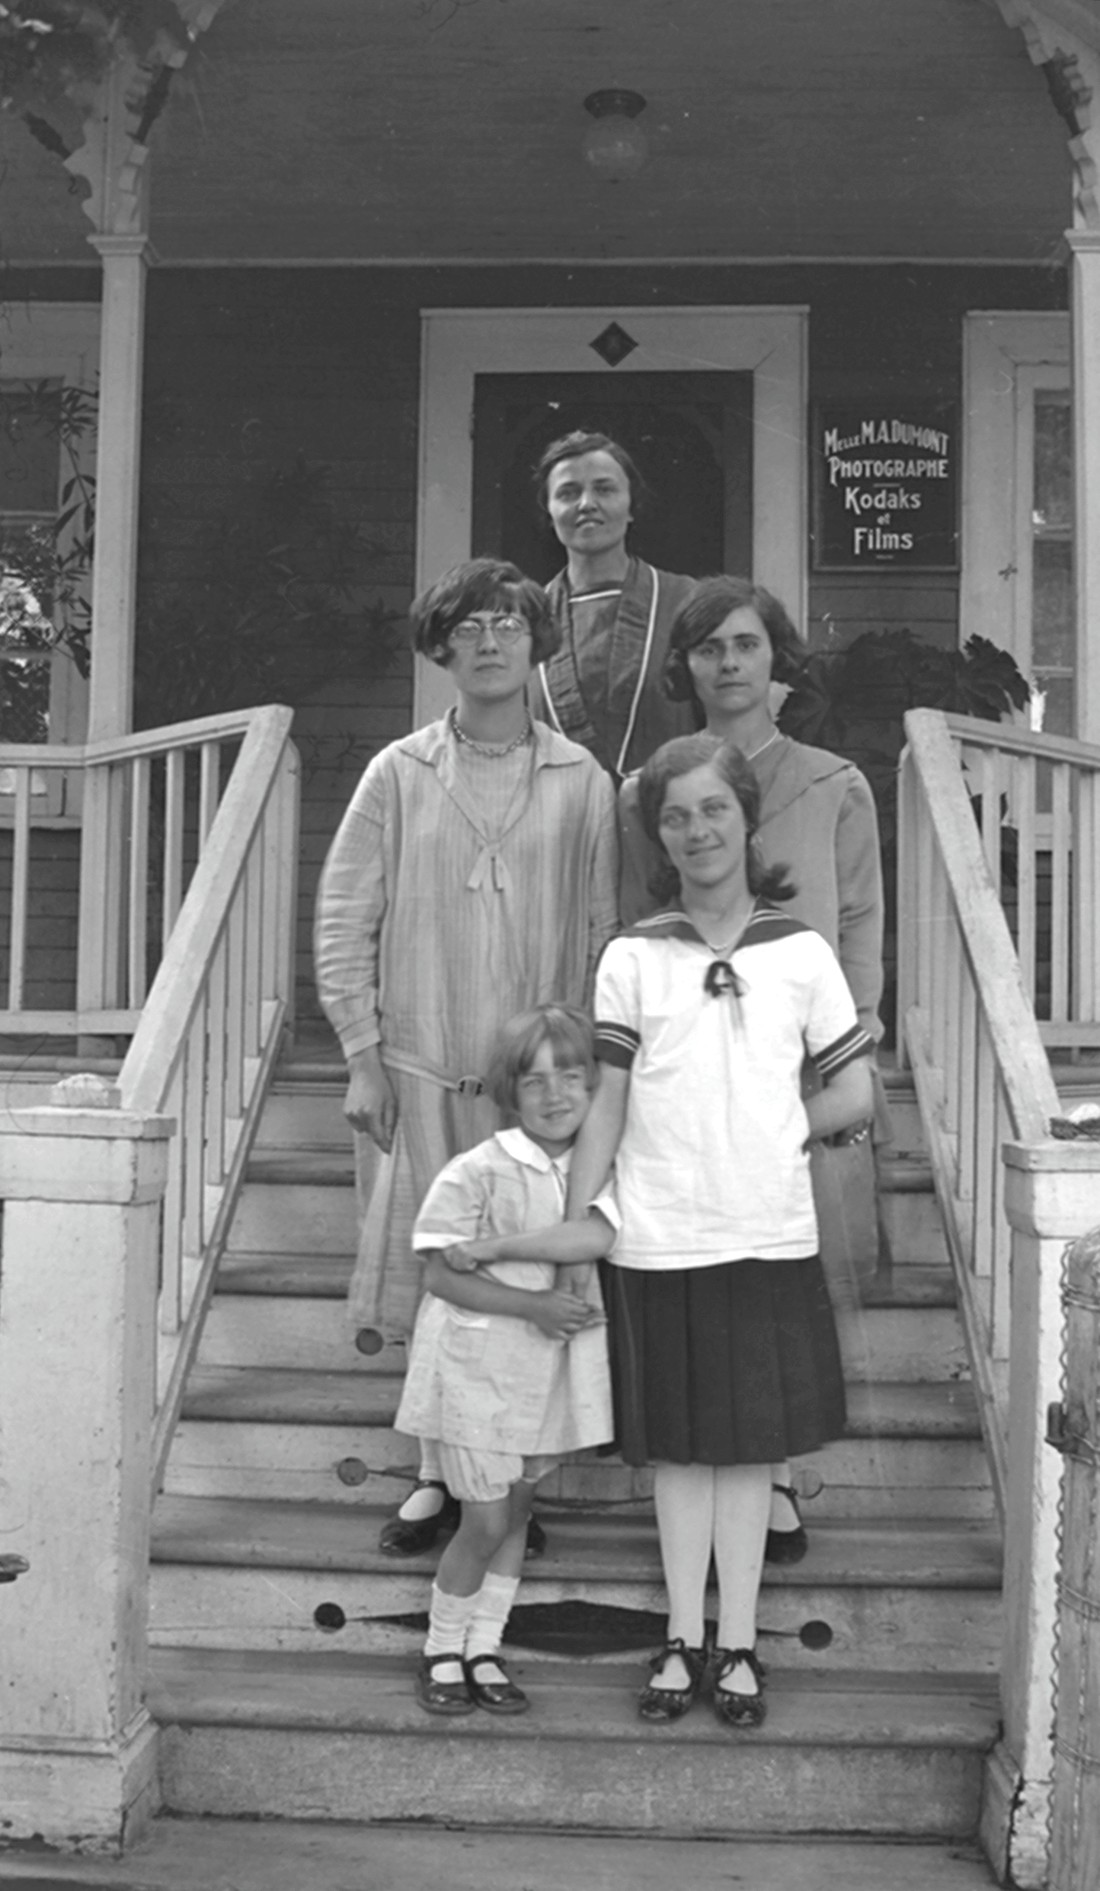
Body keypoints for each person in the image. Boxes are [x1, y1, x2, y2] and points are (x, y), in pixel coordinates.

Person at [553, 735, 873, 1728]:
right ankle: (677, 1639)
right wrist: (575, 1221)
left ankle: (736, 1644)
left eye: (713, 810)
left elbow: (854, 1089)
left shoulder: (799, 951)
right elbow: (605, 1102)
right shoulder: (632, 954)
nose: (696, 830)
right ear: (658, 835)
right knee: (681, 1453)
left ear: (745, 818)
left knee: (745, 1453)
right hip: (657, 1236)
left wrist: (775, 1129)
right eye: (675, 816)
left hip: (767, 1235)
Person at [314, 558, 618, 1558]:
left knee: (526, 1283)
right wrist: (361, 1053)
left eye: (510, 623)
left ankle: (513, 1490)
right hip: (419, 1067)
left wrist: (578, 1080)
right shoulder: (398, 773)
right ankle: (438, 1476)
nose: (490, 640)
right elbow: (343, 913)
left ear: (537, 643)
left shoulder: (584, 780)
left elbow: (604, 931)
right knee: (437, 1275)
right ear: (442, 646)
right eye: (469, 626)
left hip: (533, 1092)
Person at [618, 575, 886, 1563]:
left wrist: (848, 1050)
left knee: (781, 1277)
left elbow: (857, 922)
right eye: (706, 648)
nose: (728, 663)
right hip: (689, 1070)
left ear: (776, 659)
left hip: (802, 1060)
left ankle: (770, 1476)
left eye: (745, 644)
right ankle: (701, 1473)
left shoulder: (832, 783)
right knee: (705, 1274)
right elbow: (629, 924)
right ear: (683, 668)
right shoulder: (649, 790)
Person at [395, 1004, 613, 1717]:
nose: (556, 1095)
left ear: (594, 1086)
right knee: (484, 1520)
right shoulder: (481, 1169)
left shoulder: (602, 1169)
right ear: (509, 1091)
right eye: (536, 1080)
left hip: (542, 1377)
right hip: (474, 1369)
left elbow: (594, 1239)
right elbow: (440, 1274)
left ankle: (485, 1646)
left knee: (518, 1512)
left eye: (572, 1077)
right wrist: (536, 1307)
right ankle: (441, 1648)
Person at [526, 429, 697, 781]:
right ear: (550, 511)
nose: (586, 503)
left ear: (632, 506)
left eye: (604, 489)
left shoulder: (685, 600)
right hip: (560, 822)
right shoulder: (526, 615)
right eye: (568, 493)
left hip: (668, 818)